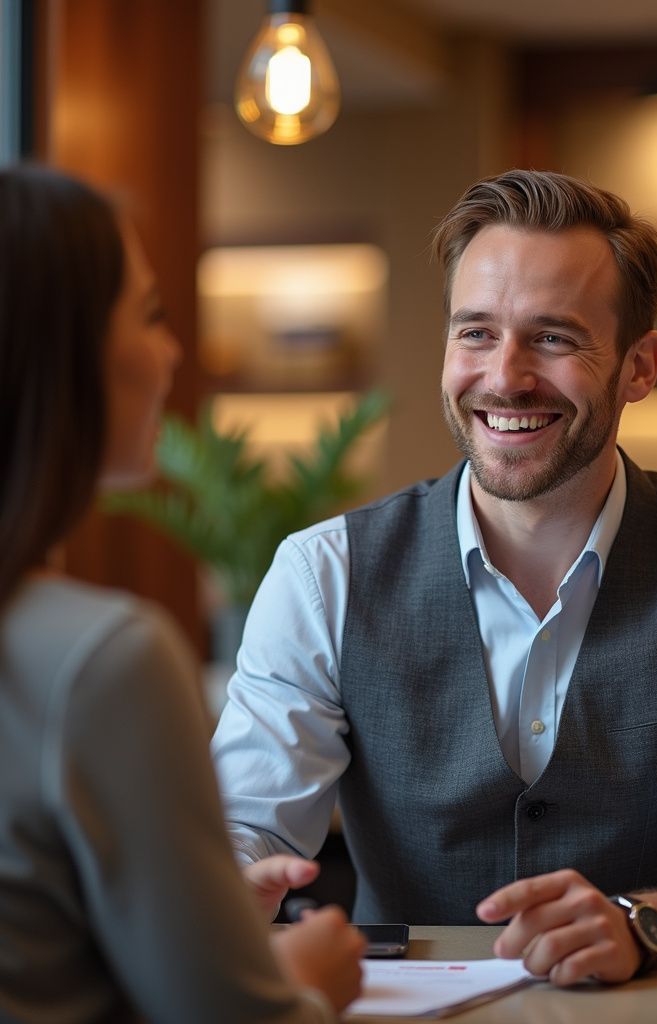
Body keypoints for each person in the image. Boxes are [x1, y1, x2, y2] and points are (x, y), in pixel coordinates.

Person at [212, 168, 657, 986]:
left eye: (553, 337)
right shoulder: (323, 573)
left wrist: (645, 923)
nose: (505, 376)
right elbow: (243, 823)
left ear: (640, 367)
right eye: (475, 333)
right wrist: (230, 878)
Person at [0, 164, 365, 1023]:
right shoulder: (103, 659)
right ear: (63, 355)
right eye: (150, 316)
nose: (171, 353)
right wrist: (306, 978)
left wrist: (198, 917)